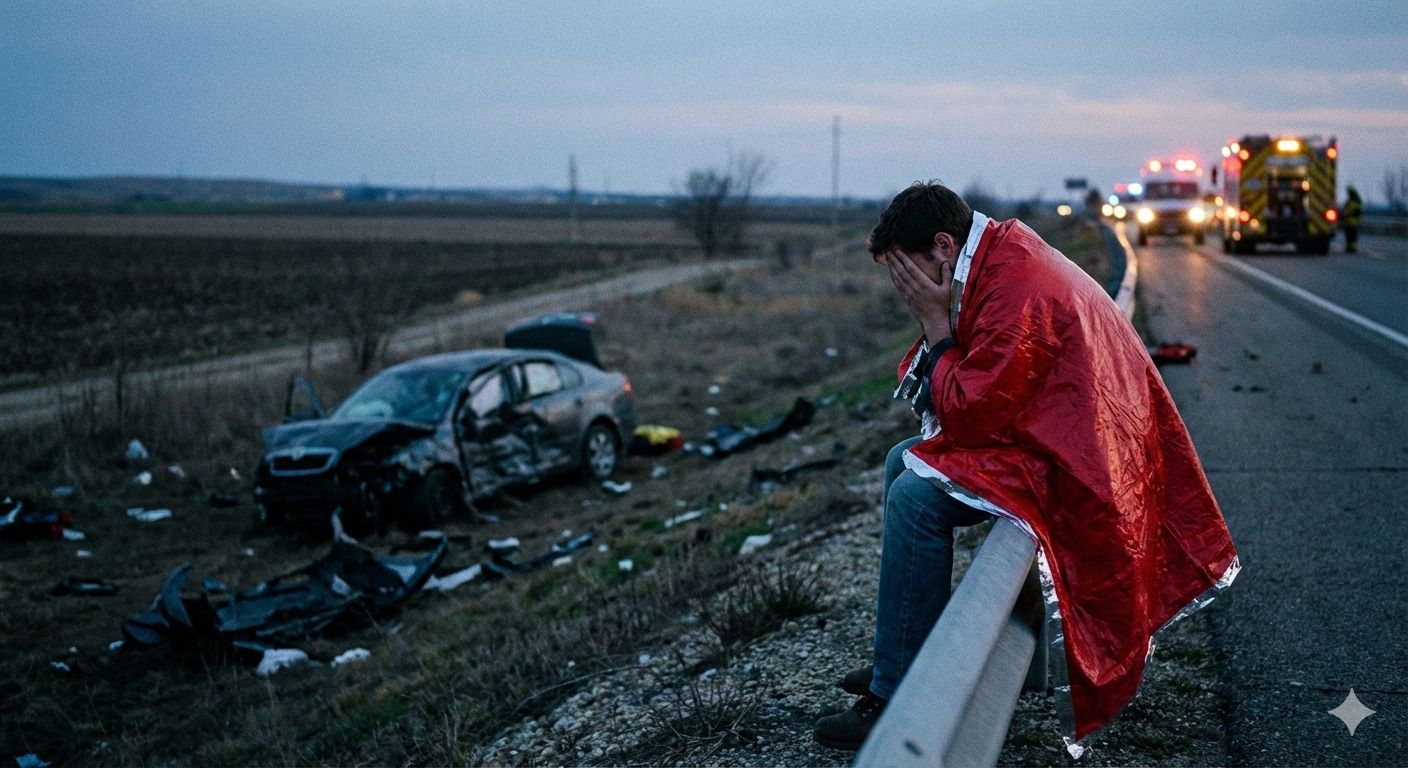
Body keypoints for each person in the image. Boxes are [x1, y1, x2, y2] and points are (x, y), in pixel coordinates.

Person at [813, 182, 1238, 752]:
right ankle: (904, 658)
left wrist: (937, 326)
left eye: (907, 273)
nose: (904, 290)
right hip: (1067, 434)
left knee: (916, 498)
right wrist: (939, 321)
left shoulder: (1012, 285)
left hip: (1081, 461)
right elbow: (979, 394)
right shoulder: (995, 255)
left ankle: (891, 701)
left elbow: (970, 413)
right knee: (900, 464)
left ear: (942, 246)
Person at [1341, 186, 1363, 253]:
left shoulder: (1353, 200)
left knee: (1351, 235)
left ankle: (1351, 248)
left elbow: (1350, 210)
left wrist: (1344, 215)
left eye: (1349, 192)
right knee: (1351, 235)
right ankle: (1350, 247)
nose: (1348, 193)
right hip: (1353, 221)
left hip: (1351, 221)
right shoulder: (1356, 200)